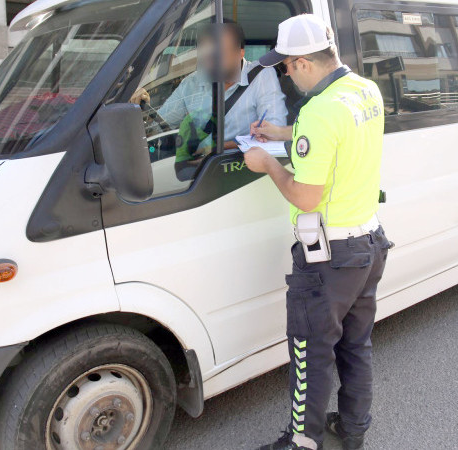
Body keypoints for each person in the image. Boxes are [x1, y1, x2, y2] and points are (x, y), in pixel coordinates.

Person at [245, 14, 391, 450]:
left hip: (329, 257)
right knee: (356, 344)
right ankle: (352, 430)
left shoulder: (318, 110)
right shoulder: (365, 91)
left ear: (304, 62)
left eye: (286, 66)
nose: (287, 75)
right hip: (369, 245)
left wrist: (268, 161)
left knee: (311, 353)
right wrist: (284, 133)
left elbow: (306, 197)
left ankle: (302, 442)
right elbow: (335, 136)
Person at [130, 19, 288, 162]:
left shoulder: (262, 76)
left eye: (221, 55)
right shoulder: (191, 83)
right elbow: (159, 128)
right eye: (208, 56)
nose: (213, 63)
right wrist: (145, 111)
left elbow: (274, 135)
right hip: (197, 172)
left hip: (241, 168)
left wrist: (216, 149)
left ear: (240, 53)